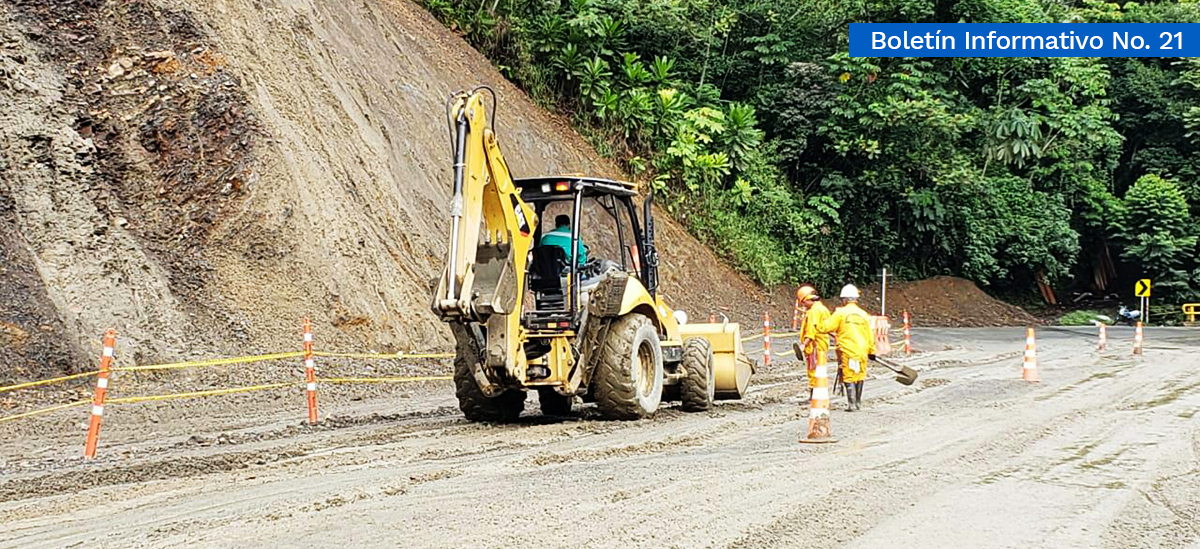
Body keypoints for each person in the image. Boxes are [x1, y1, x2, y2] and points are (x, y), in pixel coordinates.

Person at [821, 284, 875, 411]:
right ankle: (858, 403)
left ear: (844, 299)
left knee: (849, 375)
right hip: (862, 351)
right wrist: (872, 351)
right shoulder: (864, 314)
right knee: (860, 375)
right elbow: (870, 335)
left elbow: (826, 327)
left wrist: (817, 325)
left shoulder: (840, 313)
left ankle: (851, 404)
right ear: (856, 299)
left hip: (848, 350)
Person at [793, 285, 831, 402]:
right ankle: (817, 395)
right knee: (819, 369)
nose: (803, 306)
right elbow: (826, 327)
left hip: (815, 345)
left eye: (804, 303)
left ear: (808, 299)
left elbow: (811, 330)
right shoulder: (823, 309)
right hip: (821, 344)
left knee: (813, 370)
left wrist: (804, 344)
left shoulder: (814, 311)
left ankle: (813, 396)